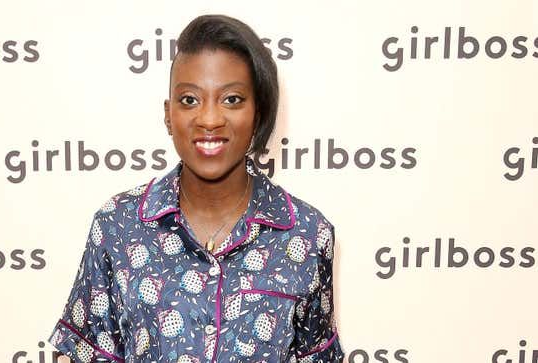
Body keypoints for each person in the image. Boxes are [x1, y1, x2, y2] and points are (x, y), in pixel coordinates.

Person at [47, 14, 344, 363]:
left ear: (259, 115)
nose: (209, 119)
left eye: (231, 99)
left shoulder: (308, 234)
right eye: (190, 100)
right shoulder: (118, 225)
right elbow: (84, 352)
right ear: (168, 115)